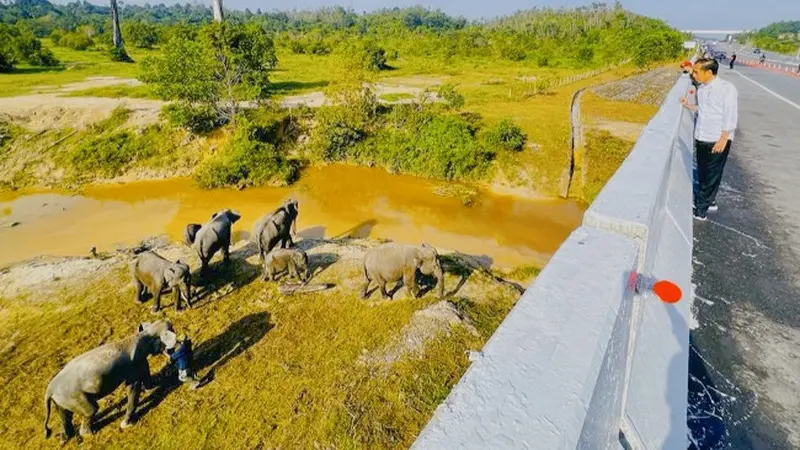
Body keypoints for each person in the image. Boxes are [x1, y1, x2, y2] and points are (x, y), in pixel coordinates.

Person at [680, 58, 738, 221]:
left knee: (712, 174)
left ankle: (701, 211)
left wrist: (723, 139)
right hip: (702, 136)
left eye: (697, 71)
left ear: (709, 72)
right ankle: (709, 201)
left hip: (717, 138)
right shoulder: (702, 89)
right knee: (704, 172)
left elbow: (730, 116)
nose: (694, 74)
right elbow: (705, 110)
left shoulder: (726, 89)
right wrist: (689, 106)